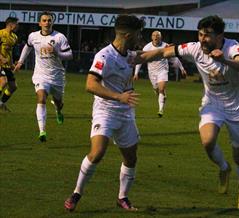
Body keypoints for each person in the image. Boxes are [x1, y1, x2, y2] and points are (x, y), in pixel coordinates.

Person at [133, 15, 239, 209]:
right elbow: (163, 52)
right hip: (213, 103)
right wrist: (132, 58)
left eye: (207, 35)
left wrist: (225, 60)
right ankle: (224, 167)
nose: (202, 39)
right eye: (200, 34)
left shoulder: (232, 47)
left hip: (238, 107)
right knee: (207, 141)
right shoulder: (194, 48)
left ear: (220, 35)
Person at [64, 14, 143, 212]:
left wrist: (180, 49)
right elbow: (90, 84)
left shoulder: (130, 55)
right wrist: (119, 97)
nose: (140, 37)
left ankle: (122, 197)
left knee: (131, 158)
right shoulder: (104, 56)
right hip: (105, 111)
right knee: (97, 152)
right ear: (127, 35)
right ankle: (76, 193)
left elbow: (155, 54)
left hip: (125, 114)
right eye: (138, 34)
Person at [14, 11, 73, 142]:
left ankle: (58, 110)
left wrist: (57, 52)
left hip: (57, 76)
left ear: (52, 22)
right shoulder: (33, 36)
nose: (47, 23)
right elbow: (27, 47)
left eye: (49, 20)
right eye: (44, 20)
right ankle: (42, 131)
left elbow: (70, 55)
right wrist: (20, 62)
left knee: (59, 103)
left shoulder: (59, 37)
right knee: (41, 98)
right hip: (41, 74)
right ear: (39, 23)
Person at [133, 31, 186, 117]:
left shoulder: (166, 46)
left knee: (161, 89)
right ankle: (161, 96)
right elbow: (140, 60)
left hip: (163, 70)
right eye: (154, 35)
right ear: (151, 37)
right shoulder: (147, 47)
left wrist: (182, 68)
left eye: (157, 35)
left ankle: (160, 110)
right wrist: (136, 73)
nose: (155, 37)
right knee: (157, 90)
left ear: (161, 37)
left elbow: (174, 58)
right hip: (152, 72)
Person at [0, 16, 19, 112]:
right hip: (0, 63)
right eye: (17, 24)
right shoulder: (1, 34)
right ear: (11, 25)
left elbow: (10, 52)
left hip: (6, 65)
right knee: (3, 81)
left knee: (13, 86)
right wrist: (1, 57)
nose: (18, 26)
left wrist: (12, 64)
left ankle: (1, 103)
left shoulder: (14, 37)